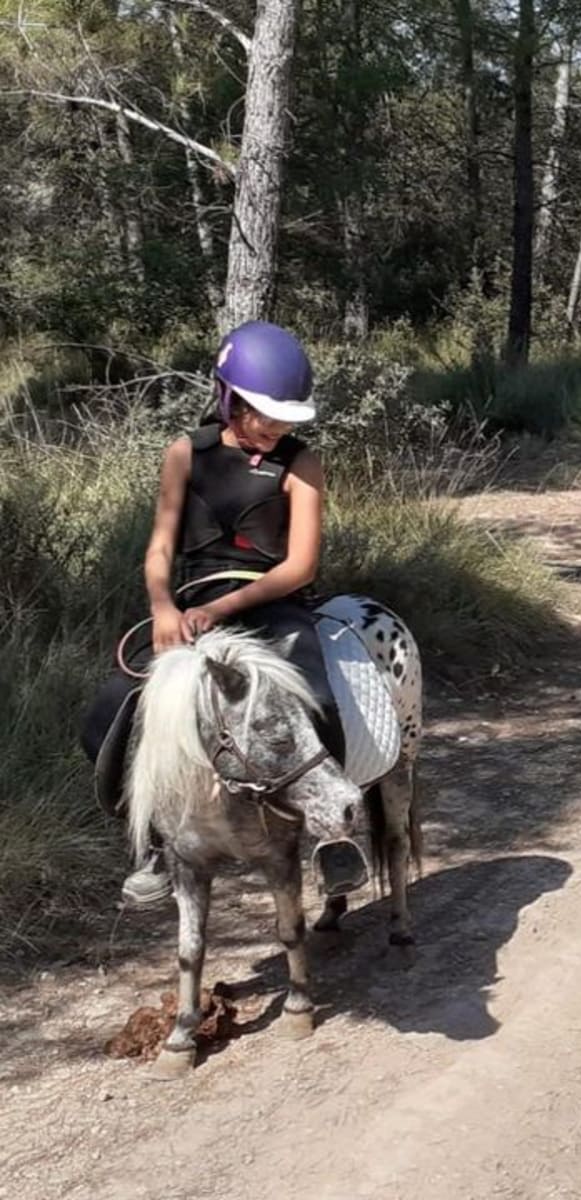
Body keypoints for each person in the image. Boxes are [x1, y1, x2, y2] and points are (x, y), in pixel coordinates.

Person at [82, 320, 351, 905]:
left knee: (321, 699)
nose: (276, 427)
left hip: (272, 606)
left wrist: (224, 606)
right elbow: (160, 547)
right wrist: (162, 607)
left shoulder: (301, 464)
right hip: (189, 608)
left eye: (286, 418)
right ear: (229, 399)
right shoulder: (186, 455)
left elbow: (300, 565)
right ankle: (153, 840)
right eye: (264, 414)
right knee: (111, 713)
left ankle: (334, 834)